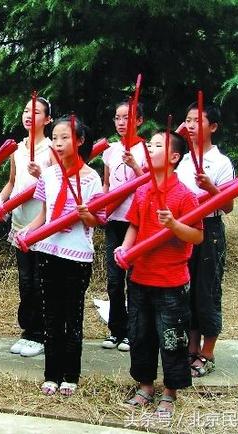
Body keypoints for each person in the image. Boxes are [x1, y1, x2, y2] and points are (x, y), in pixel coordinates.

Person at [116, 130, 203, 419]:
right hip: (140, 277)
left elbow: (196, 237)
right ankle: (145, 386)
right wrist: (125, 249)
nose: (150, 149)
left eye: (157, 146)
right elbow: (134, 226)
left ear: (174, 157)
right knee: (140, 335)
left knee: (172, 339)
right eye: (149, 145)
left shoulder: (185, 196)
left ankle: (170, 392)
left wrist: (175, 225)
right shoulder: (143, 191)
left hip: (171, 283)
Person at [20, 116, 105, 396]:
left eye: (65, 137)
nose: (58, 143)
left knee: (72, 316)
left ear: (79, 141)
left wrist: (86, 215)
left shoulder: (91, 178)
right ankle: (51, 374)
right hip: (47, 252)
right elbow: (43, 216)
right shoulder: (49, 175)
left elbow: (99, 220)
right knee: (51, 316)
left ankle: (71, 375)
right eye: (55, 138)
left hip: (77, 257)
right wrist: (26, 234)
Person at [0, 97, 53, 357]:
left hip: (41, 223)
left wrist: (42, 175)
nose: (29, 115)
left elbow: (56, 187)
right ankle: (28, 330)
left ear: (47, 119)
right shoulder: (17, 148)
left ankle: (40, 334)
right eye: (26, 110)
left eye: (36, 112)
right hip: (19, 223)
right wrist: (0, 199)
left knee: (40, 279)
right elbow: (12, 182)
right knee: (25, 280)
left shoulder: (51, 149)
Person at [176, 102, 234, 377]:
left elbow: (228, 206)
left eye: (196, 121)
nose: (190, 125)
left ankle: (207, 352)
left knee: (207, 290)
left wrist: (210, 187)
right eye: (187, 120)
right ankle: (191, 347)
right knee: (186, 289)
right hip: (184, 229)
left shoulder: (221, 163)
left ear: (213, 127)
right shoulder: (184, 159)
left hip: (208, 230)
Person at [101, 101, 145, 352]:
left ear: (138, 121)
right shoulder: (110, 151)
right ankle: (116, 330)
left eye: (127, 118)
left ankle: (133, 332)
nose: (120, 122)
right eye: (117, 118)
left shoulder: (146, 150)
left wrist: (135, 166)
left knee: (135, 279)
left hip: (135, 222)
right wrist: (103, 211)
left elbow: (149, 185)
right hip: (114, 220)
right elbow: (107, 187)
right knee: (114, 280)